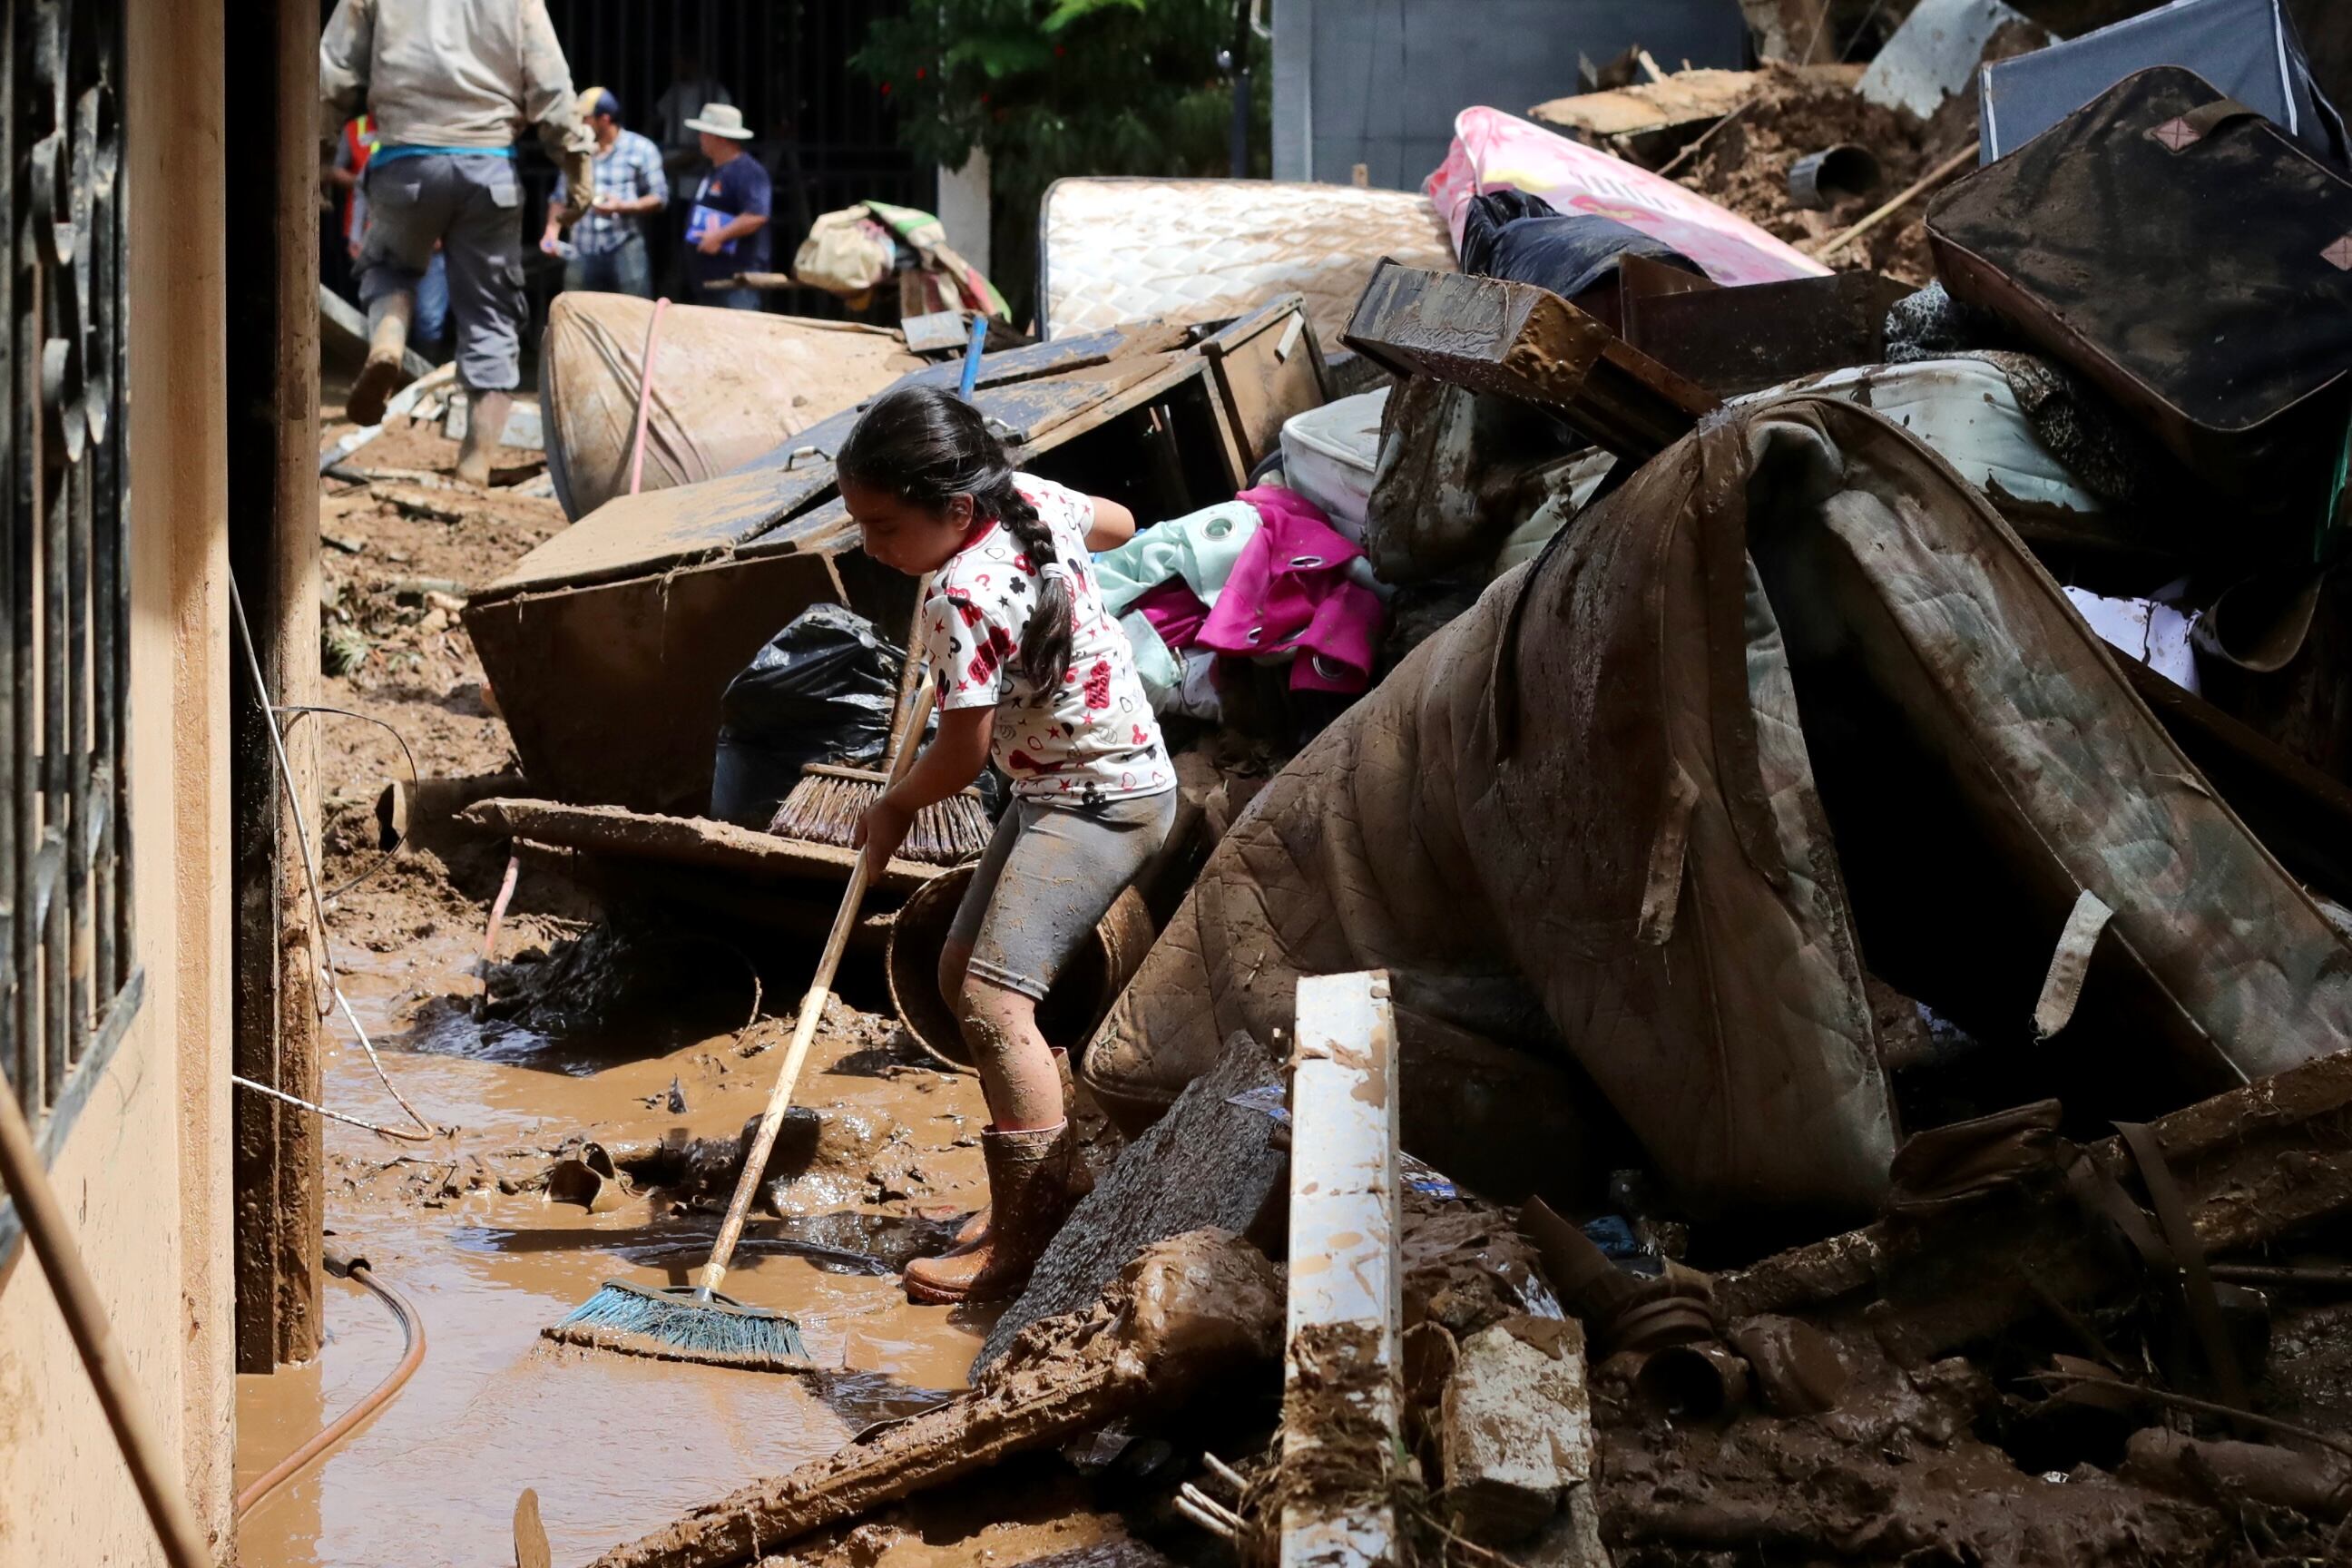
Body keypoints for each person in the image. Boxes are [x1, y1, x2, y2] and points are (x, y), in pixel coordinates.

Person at [838, 387, 1174, 1305]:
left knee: (991, 1003)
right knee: (956, 977)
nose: (869, 547)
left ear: (953, 510)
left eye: (880, 527)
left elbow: (962, 751)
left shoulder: (956, 591)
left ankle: (1026, 1245)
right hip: (1067, 776)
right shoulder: (1026, 498)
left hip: (1099, 796)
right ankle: (1044, 1178)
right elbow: (1120, 520)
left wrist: (894, 807)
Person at [319, 0, 595, 485]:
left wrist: (316, 149)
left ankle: (387, 342)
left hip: (404, 159)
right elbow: (551, 83)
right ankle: (475, 462)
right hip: (488, 166)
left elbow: (334, 73)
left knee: (388, 268)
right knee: (491, 314)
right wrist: (576, 165)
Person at [540, 87, 666, 298]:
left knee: (633, 314)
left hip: (624, 246)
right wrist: (551, 233)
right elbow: (560, 197)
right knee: (578, 313)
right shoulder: (576, 152)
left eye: (585, 118)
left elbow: (659, 197)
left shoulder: (641, 149)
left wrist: (622, 206)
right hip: (582, 248)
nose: (580, 124)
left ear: (604, 119)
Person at [681, 103, 771, 311]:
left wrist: (718, 237)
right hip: (713, 279)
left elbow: (757, 215)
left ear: (719, 137)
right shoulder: (715, 169)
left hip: (736, 283)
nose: (700, 138)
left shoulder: (748, 172)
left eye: (704, 133)